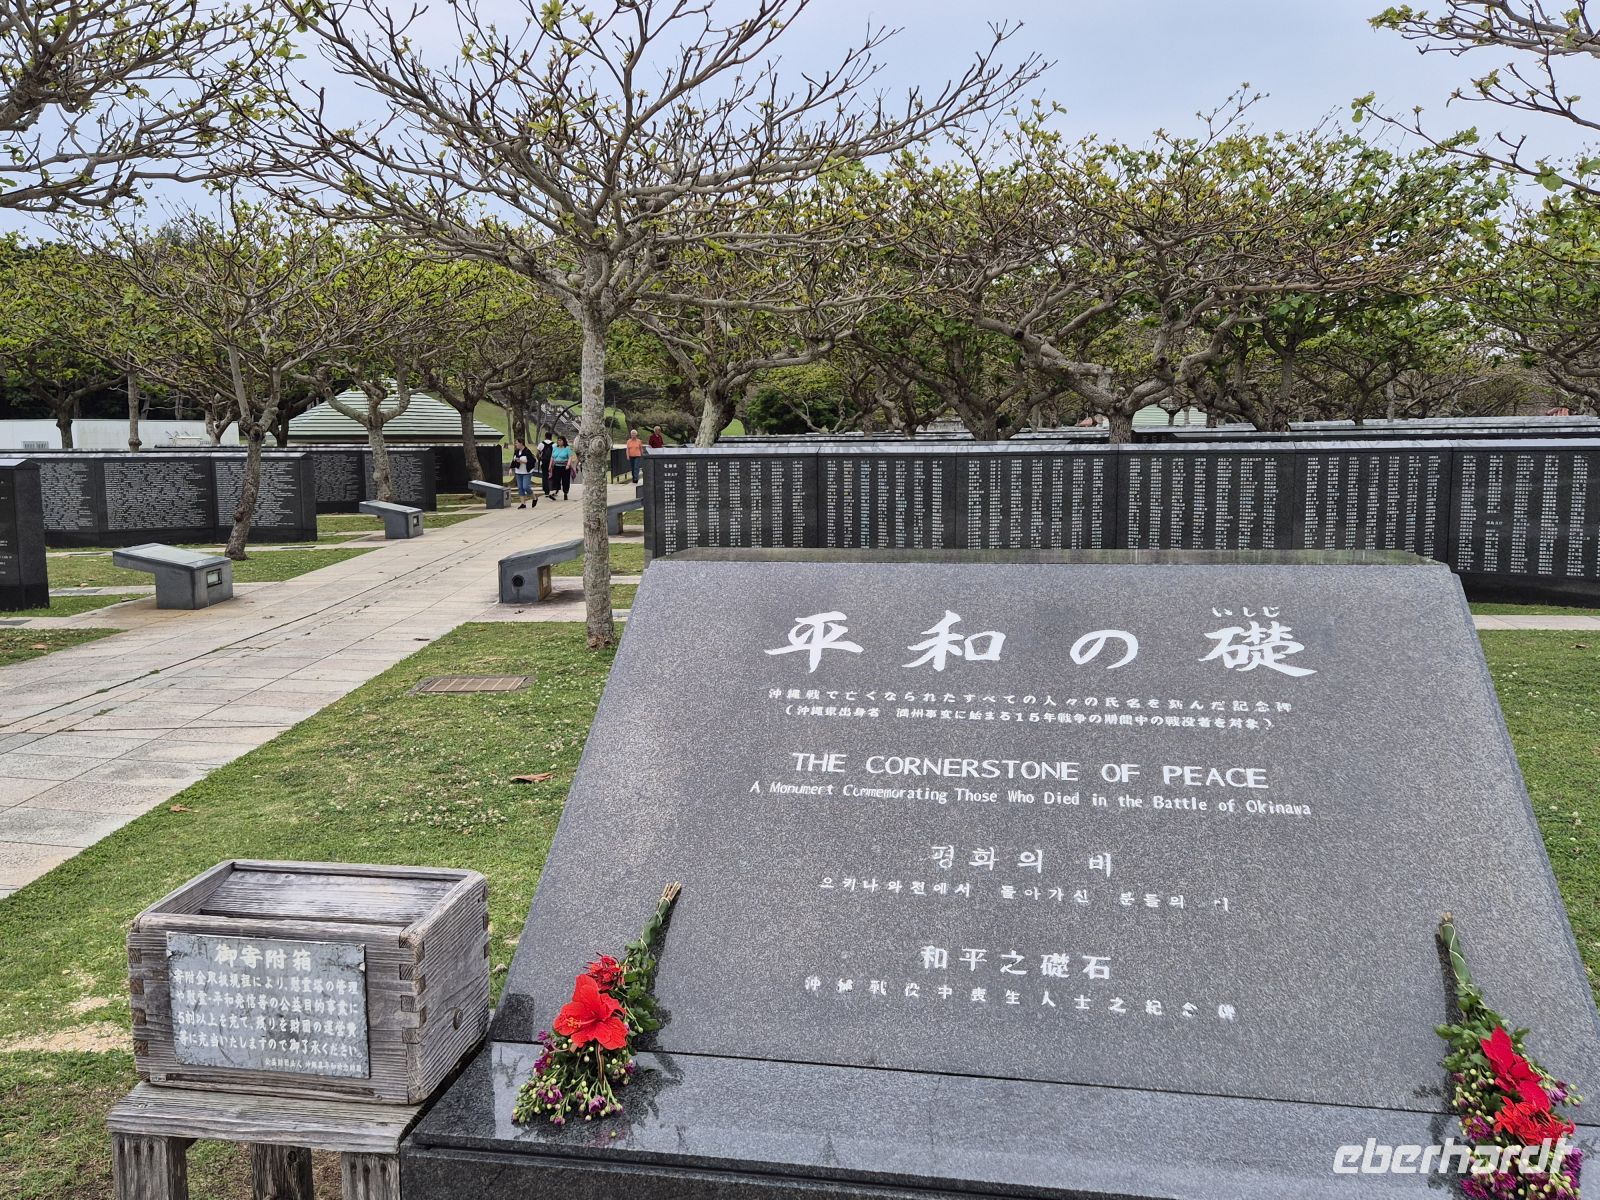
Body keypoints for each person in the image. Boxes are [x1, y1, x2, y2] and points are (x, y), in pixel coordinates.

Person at [510, 439, 537, 508]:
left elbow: (532, 461)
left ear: (521, 443)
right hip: (518, 472)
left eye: (517, 443)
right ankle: (523, 504)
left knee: (526, 487)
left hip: (526, 472)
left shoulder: (527, 451)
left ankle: (534, 498)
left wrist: (522, 461)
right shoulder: (516, 451)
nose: (515, 444)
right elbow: (513, 460)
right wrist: (511, 469)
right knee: (520, 488)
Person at [550, 435, 574, 499]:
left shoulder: (567, 448)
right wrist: (550, 466)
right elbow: (552, 457)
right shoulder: (555, 448)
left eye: (560, 440)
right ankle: (555, 491)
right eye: (558, 440)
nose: (559, 441)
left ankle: (565, 493)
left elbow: (570, 457)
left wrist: (568, 465)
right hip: (556, 466)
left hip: (565, 467)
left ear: (563, 441)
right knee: (556, 479)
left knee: (565, 481)